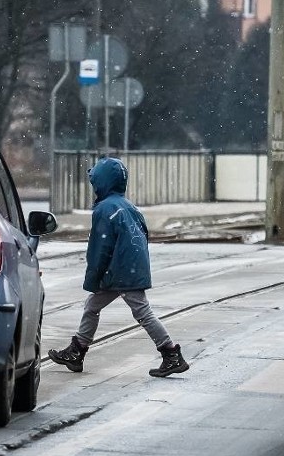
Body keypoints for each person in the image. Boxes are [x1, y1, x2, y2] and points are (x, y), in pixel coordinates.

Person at [48, 157, 189, 378]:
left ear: (101, 183)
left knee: (142, 312)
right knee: (92, 306)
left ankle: (171, 353)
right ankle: (77, 351)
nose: (93, 187)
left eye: (94, 182)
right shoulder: (128, 206)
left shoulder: (105, 209)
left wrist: (93, 278)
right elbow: (142, 236)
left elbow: (100, 248)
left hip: (121, 271)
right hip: (126, 268)